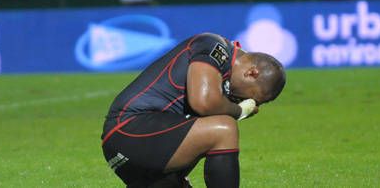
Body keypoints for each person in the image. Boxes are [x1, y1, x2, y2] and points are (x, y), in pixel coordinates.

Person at [101, 32, 286, 187]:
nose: (245, 101)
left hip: (139, 151)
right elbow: (204, 102)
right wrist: (239, 111)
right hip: (128, 131)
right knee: (223, 129)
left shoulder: (224, 78)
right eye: (252, 98)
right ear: (251, 73)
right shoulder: (215, 46)